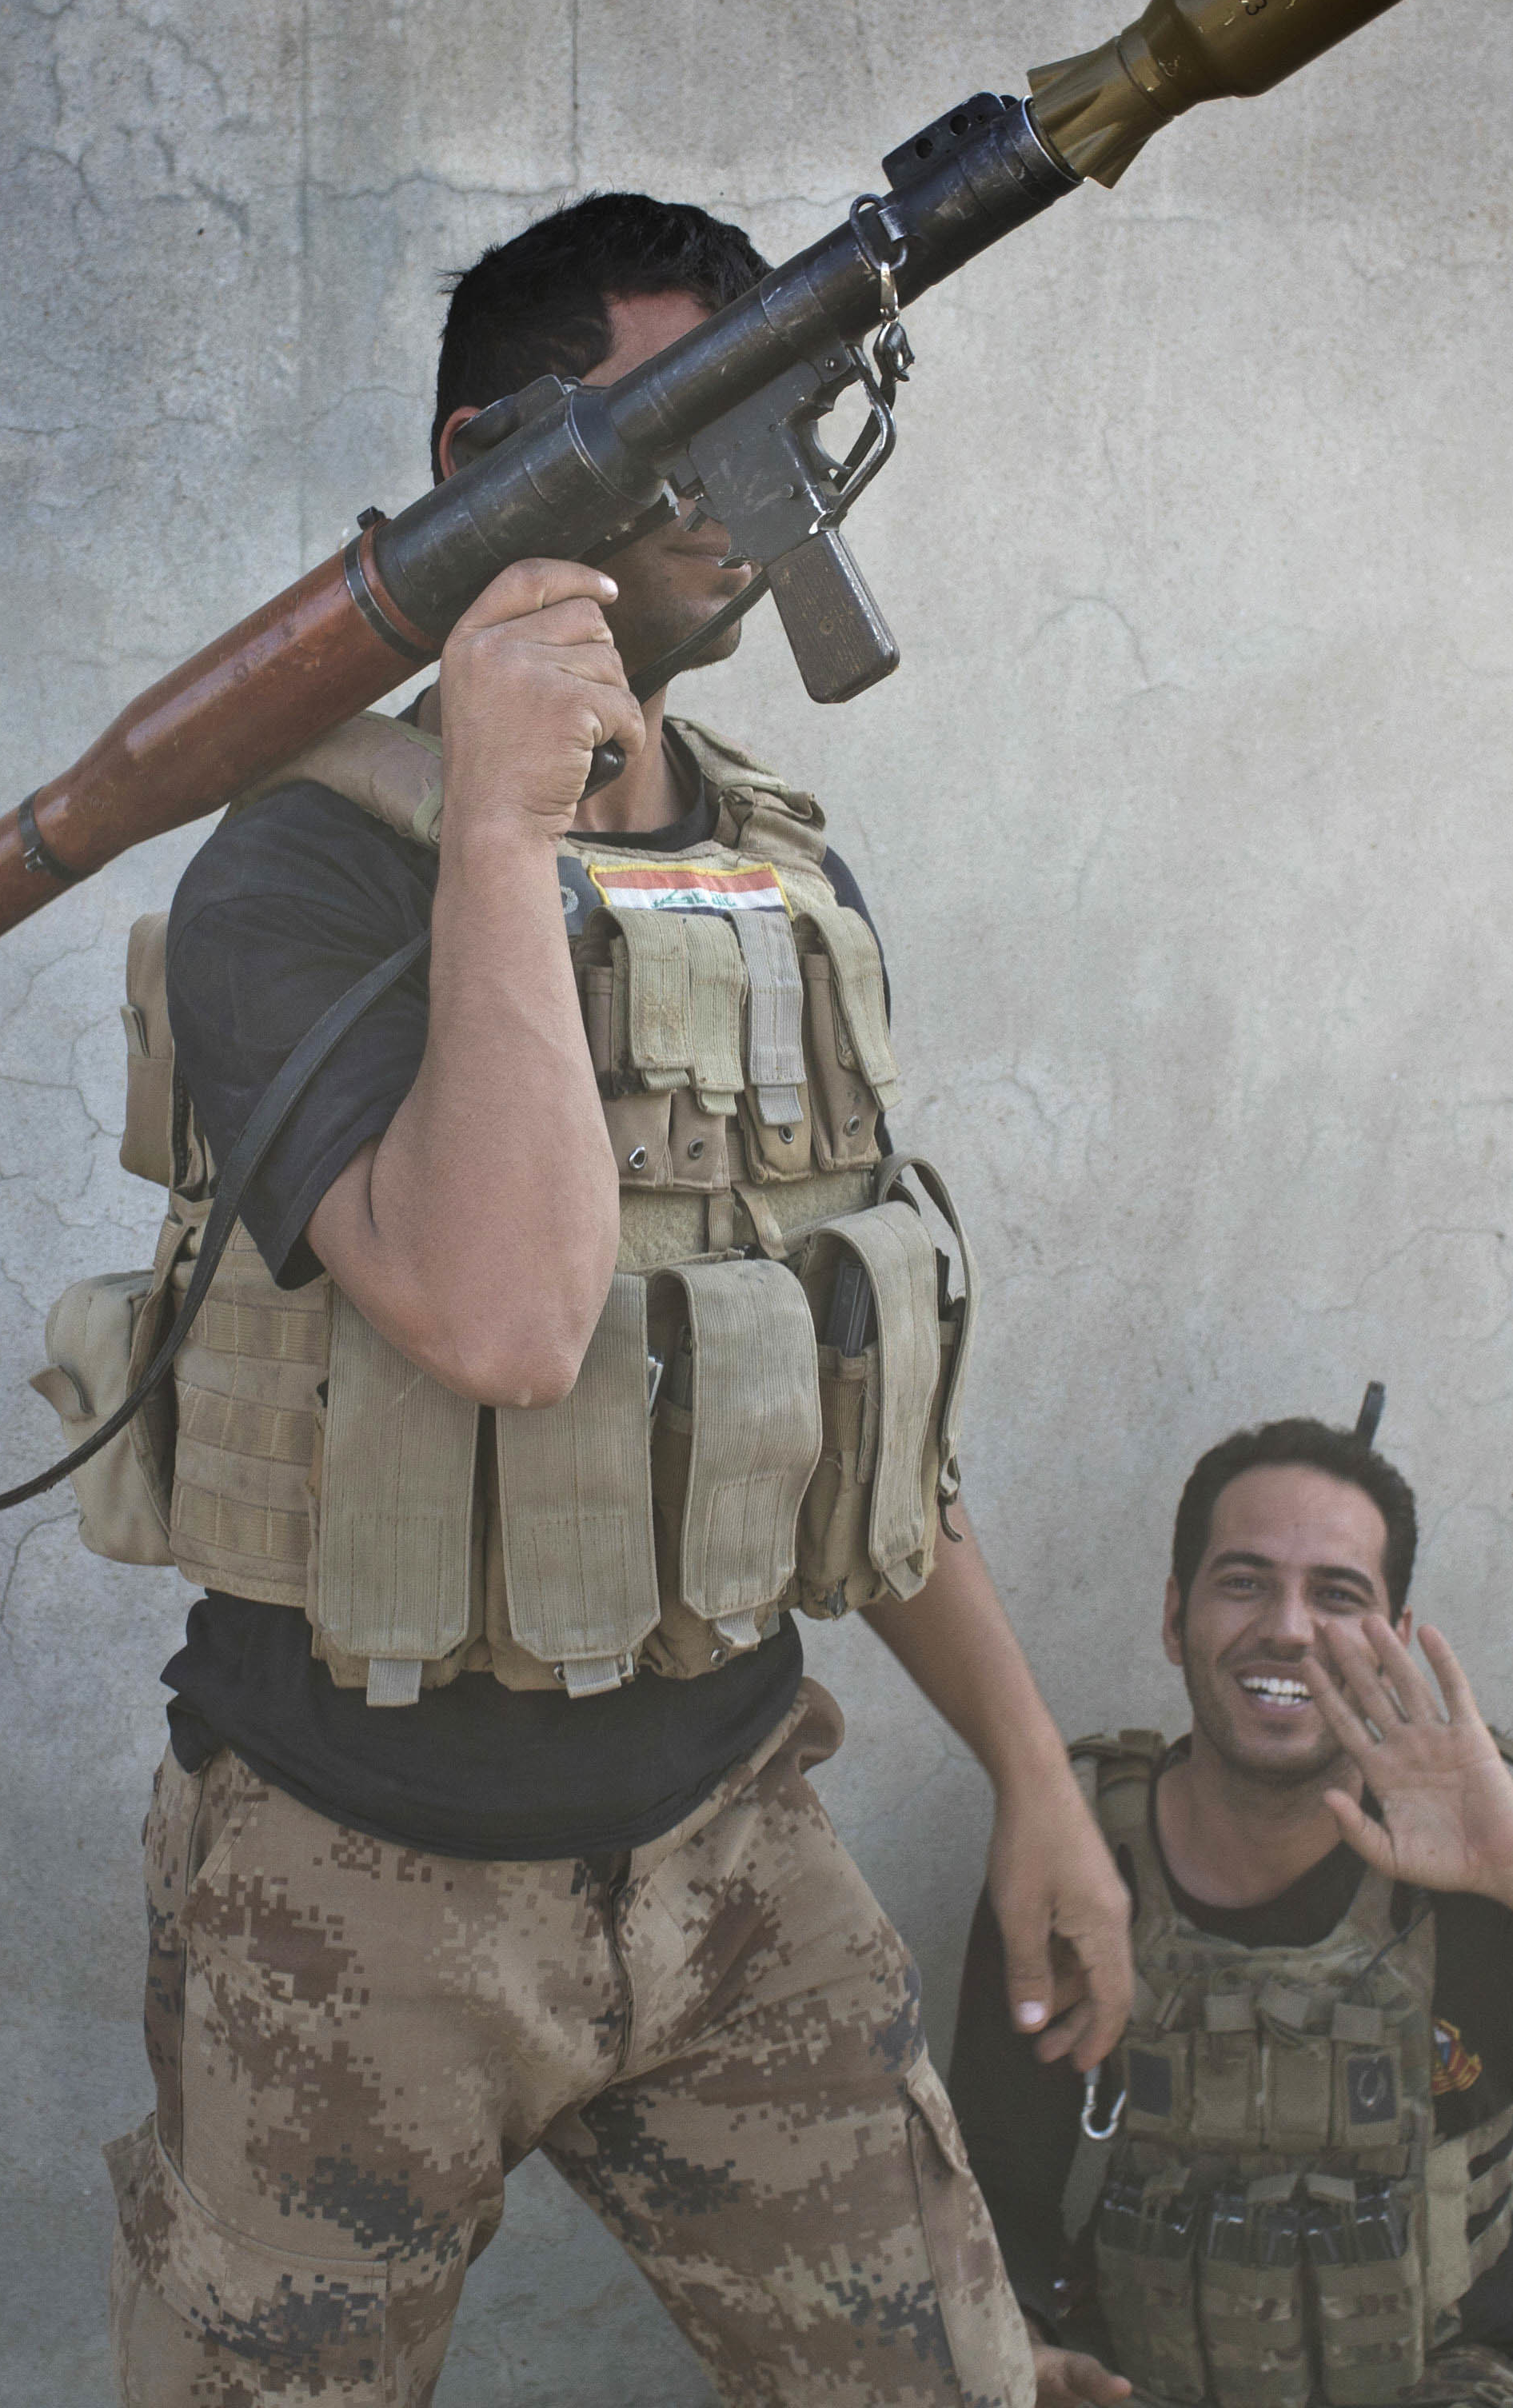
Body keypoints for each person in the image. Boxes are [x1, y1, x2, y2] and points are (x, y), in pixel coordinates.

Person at [81, 196, 1130, 2406]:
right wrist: (492, 828)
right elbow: (503, 1322)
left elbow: (835, 1378)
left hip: (739, 1846)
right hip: (353, 1899)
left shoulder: (767, 865)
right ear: (503, 454)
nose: (748, 493)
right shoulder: (295, 870)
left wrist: (1033, 1778)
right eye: (686, 422)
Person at [949, 1412, 1513, 2407]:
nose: (1287, 1627)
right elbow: (992, 2175)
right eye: (1243, 1581)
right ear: (1173, 1616)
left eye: (1337, 1595)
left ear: (1394, 1642)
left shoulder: (1478, 1861)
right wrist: (1022, 2338)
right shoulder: (1082, 1865)